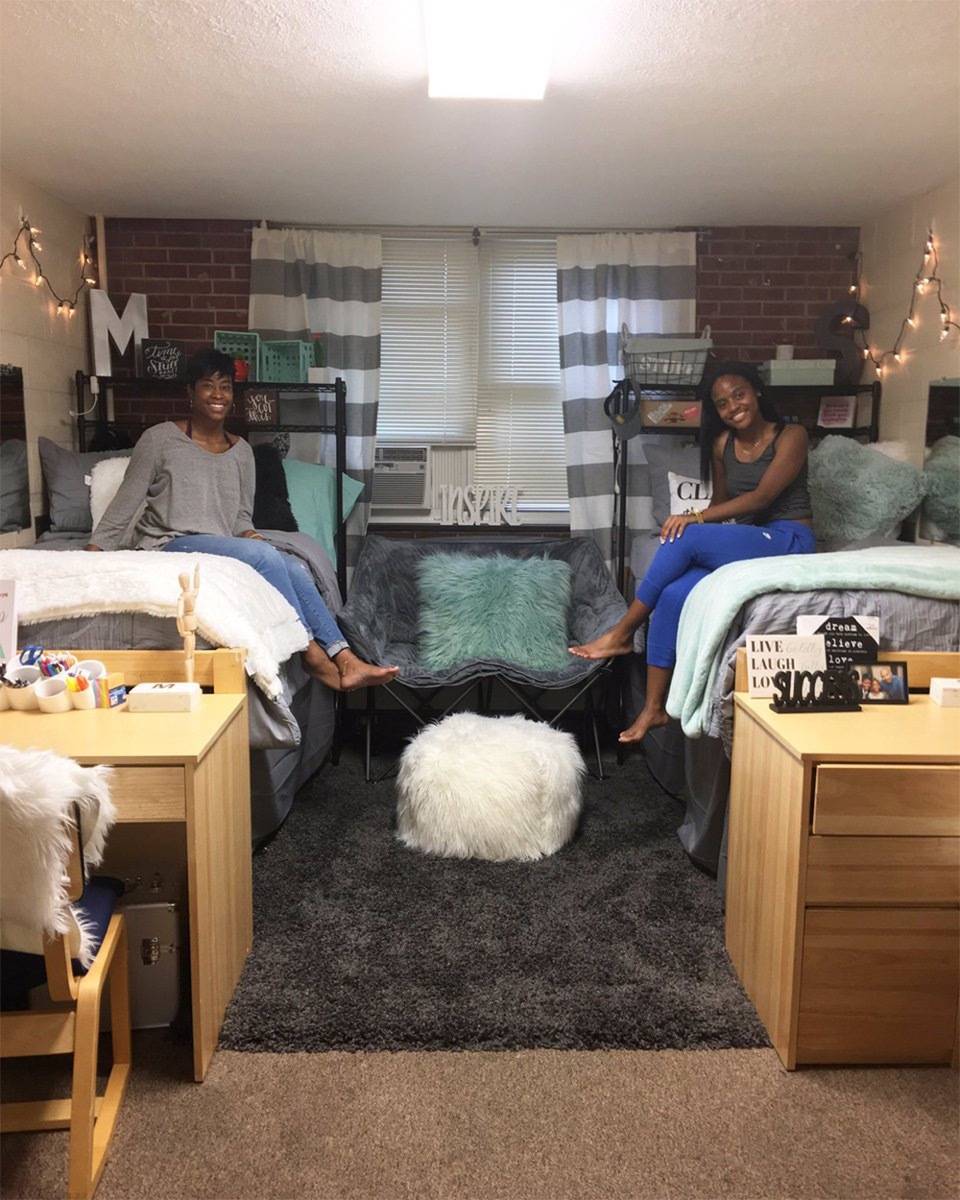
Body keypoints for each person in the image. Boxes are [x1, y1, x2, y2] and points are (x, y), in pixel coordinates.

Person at [85, 348, 398, 693]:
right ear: (190, 392)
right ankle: (312, 654)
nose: (217, 394)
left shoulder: (242, 451)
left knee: (293, 567)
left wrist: (250, 535)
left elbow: (239, 518)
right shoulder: (160, 439)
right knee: (264, 557)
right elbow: (126, 502)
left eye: (225, 387)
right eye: (208, 385)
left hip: (218, 546)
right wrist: (93, 554)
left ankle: (345, 657)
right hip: (169, 543)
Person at [570, 360, 816, 743]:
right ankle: (654, 708)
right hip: (753, 540)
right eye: (722, 403)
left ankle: (622, 632)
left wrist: (694, 518)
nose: (733, 406)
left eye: (739, 394)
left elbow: (762, 497)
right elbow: (722, 506)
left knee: (686, 535)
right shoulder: (722, 445)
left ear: (756, 392)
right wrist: (705, 529)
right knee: (672, 594)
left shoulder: (791, 435)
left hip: (790, 540)